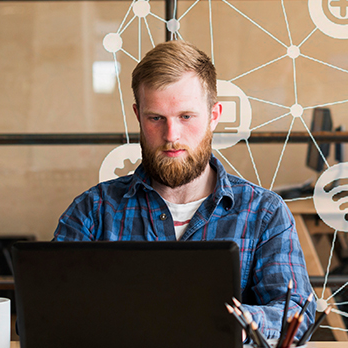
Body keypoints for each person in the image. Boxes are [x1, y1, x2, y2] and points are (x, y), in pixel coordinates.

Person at [53, 40, 315, 340]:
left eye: (186, 117)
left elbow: (296, 316)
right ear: (138, 116)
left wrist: (227, 322)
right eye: (156, 118)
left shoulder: (265, 213)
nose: (171, 136)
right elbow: (45, 314)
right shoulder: (93, 211)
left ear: (214, 116)